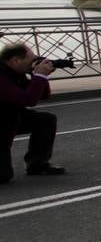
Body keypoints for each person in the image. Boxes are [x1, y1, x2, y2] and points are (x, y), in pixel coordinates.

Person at [1, 41, 65, 182]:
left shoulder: (16, 72)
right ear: (15, 60)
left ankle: (37, 164)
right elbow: (27, 100)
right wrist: (39, 76)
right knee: (3, 176)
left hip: (9, 120)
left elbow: (42, 95)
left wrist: (41, 76)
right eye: (31, 60)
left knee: (45, 120)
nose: (34, 62)